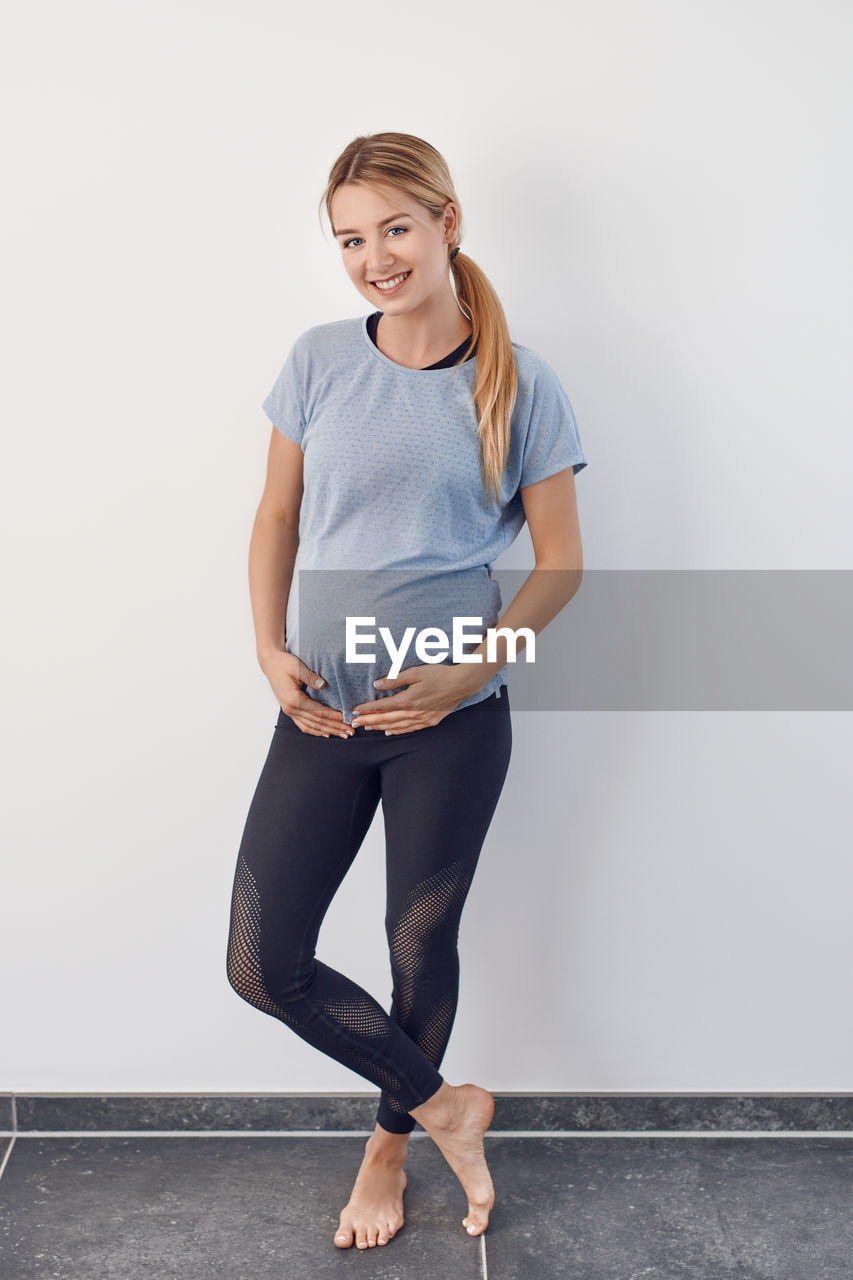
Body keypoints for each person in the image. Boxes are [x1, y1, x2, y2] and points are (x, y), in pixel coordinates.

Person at [225, 131, 587, 1251]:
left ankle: (387, 1150)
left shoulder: (519, 379)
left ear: (445, 223)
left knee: (416, 944)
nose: (374, 256)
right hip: (323, 709)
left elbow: (562, 565)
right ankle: (444, 1106)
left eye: (393, 228)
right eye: (349, 238)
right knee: (262, 959)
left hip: (452, 723)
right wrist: (265, 646)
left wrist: (472, 670)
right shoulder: (320, 358)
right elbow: (277, 515)